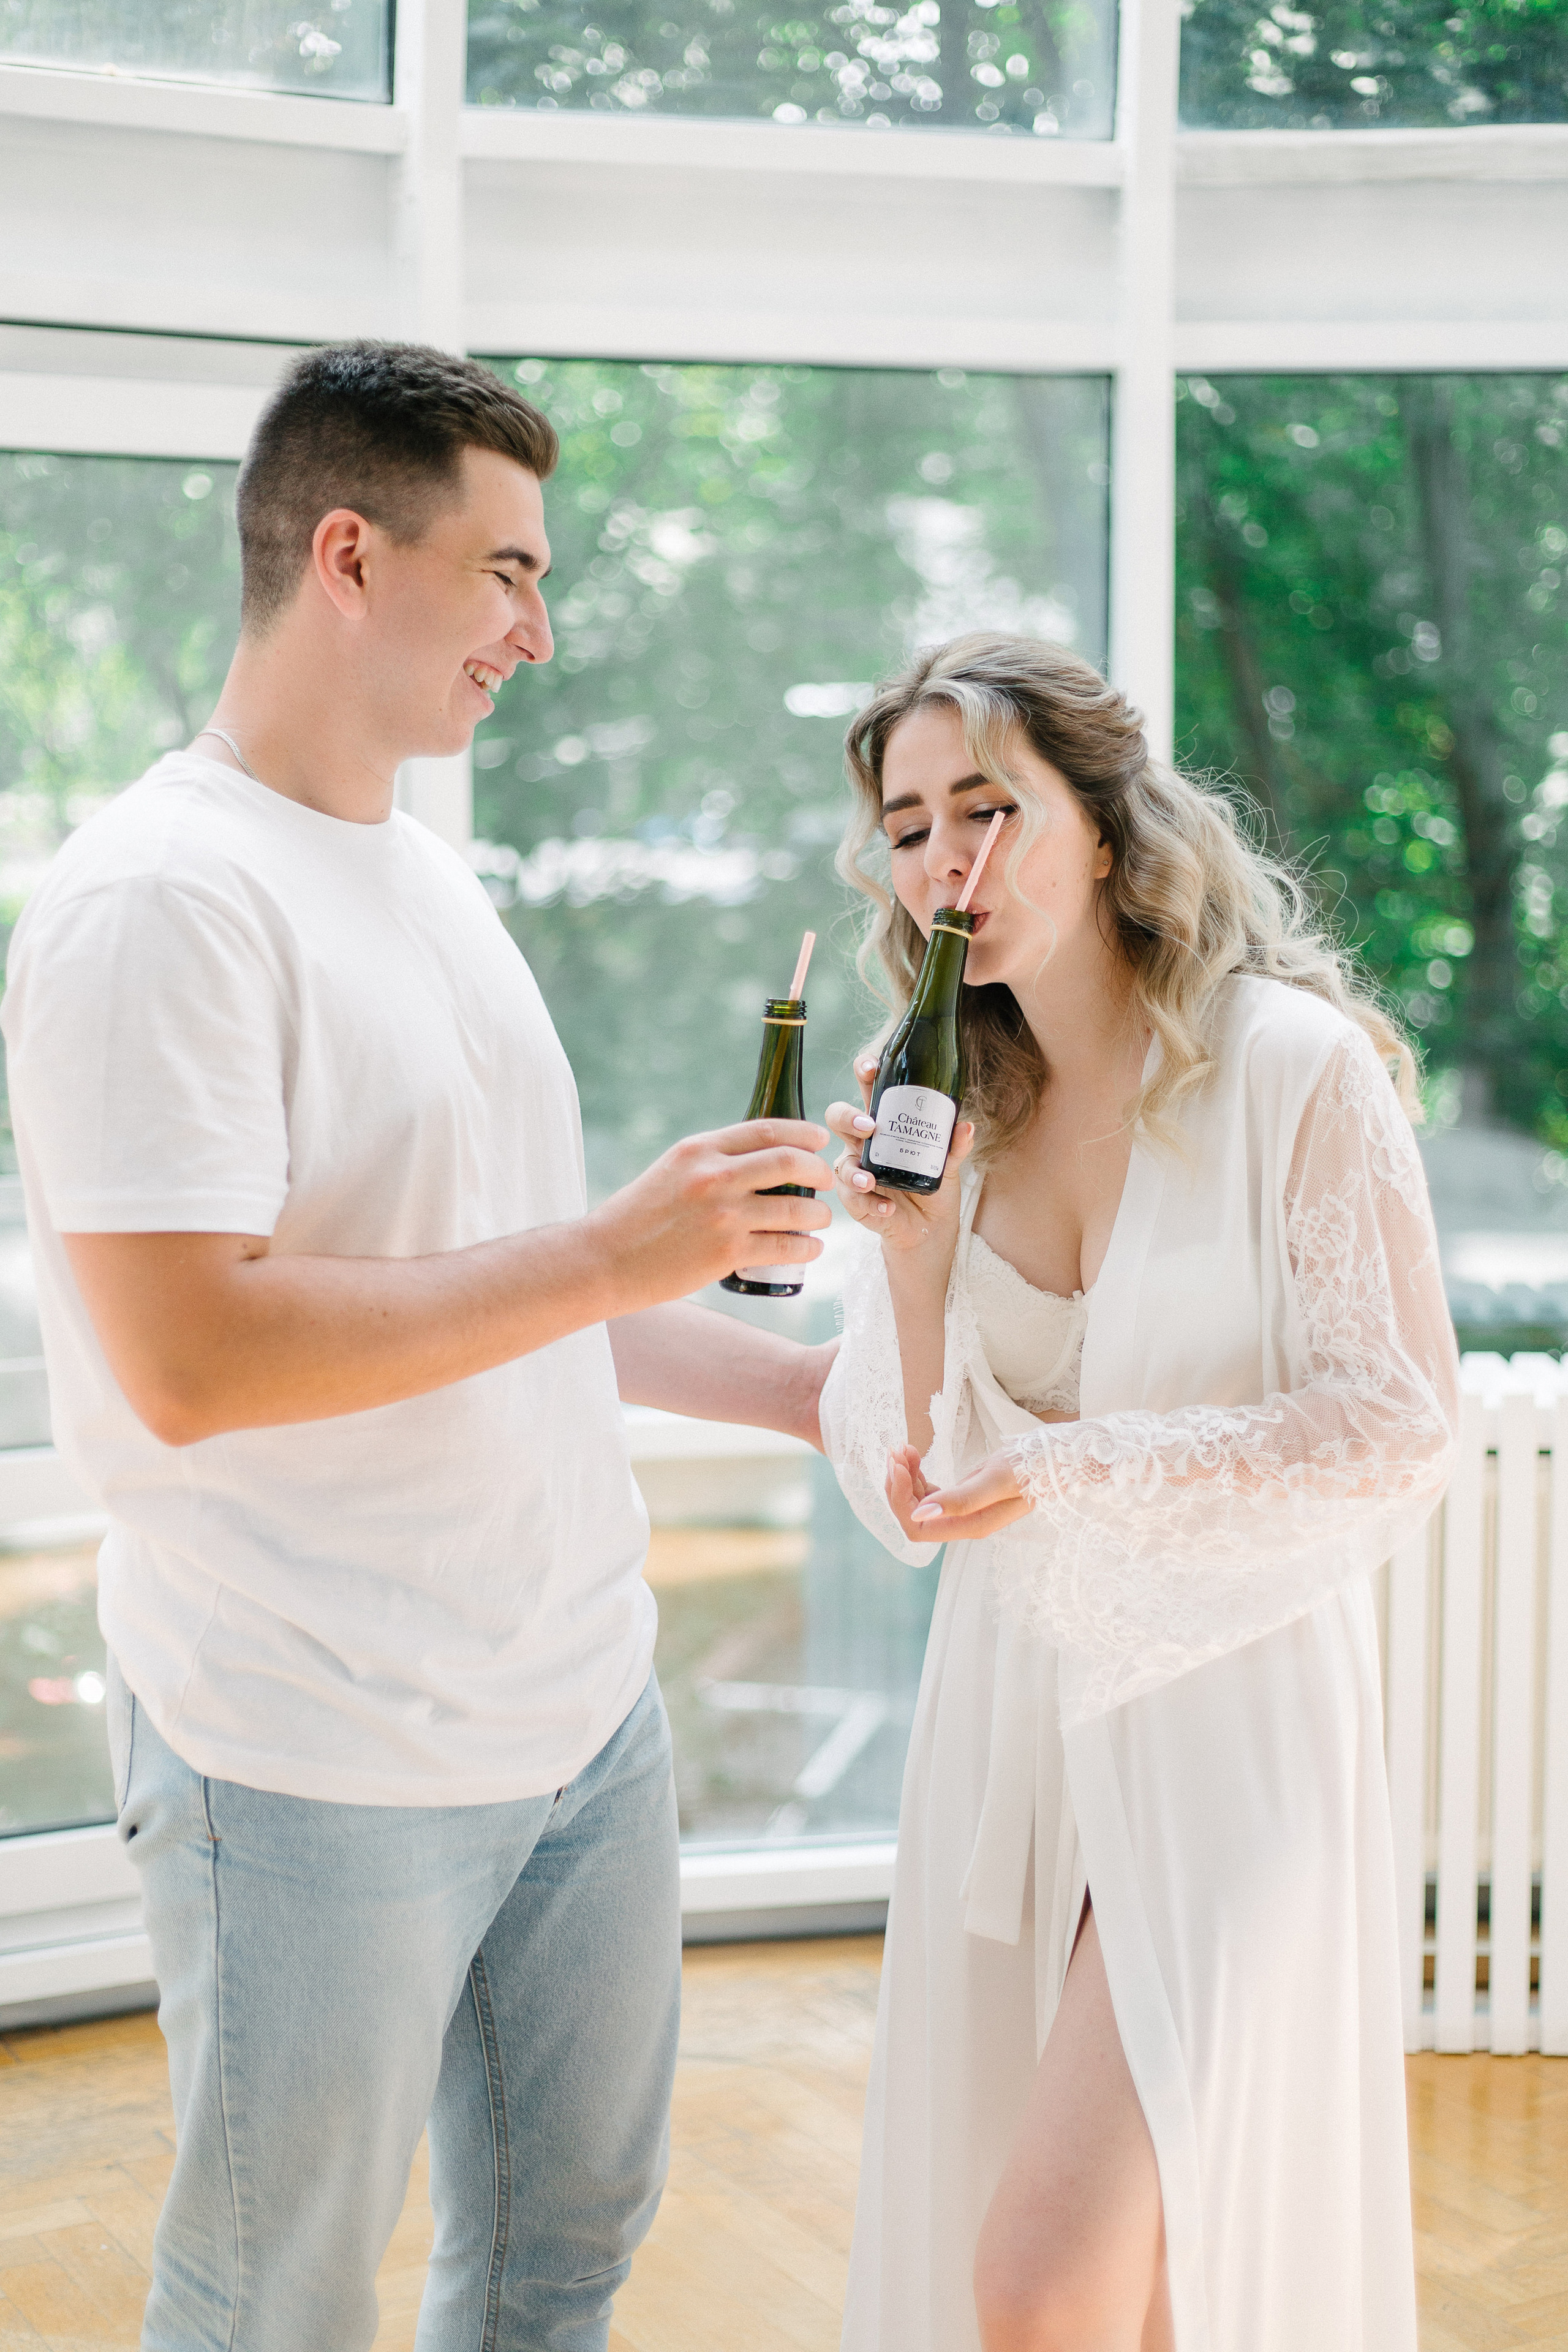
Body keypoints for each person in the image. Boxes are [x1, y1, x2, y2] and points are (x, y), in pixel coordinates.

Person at [1, 341, 838, 2352]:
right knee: (275, 2299)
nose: (540, 635)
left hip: (576, 1715)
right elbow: (194, 1357)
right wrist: (619, 1242)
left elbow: (494, 1309)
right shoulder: (158, 901)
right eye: (512, 575)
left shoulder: (423, 876)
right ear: (353, 555)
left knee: (566, 2252)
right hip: (312, 1751)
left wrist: (816, 1396)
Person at [818, 633, 1458, 2352]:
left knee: (1044, 2282)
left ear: (1101, 827)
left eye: (989, 806)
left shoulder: (1289, 1070)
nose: (948, 859)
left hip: (1231, 1722)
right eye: (907, 825)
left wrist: (1075, 1471)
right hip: (1010, 1722)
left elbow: (1399, 1419)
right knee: (1148, 2286)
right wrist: (914, 1262)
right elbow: (919, 1490)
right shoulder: (942, 1108)